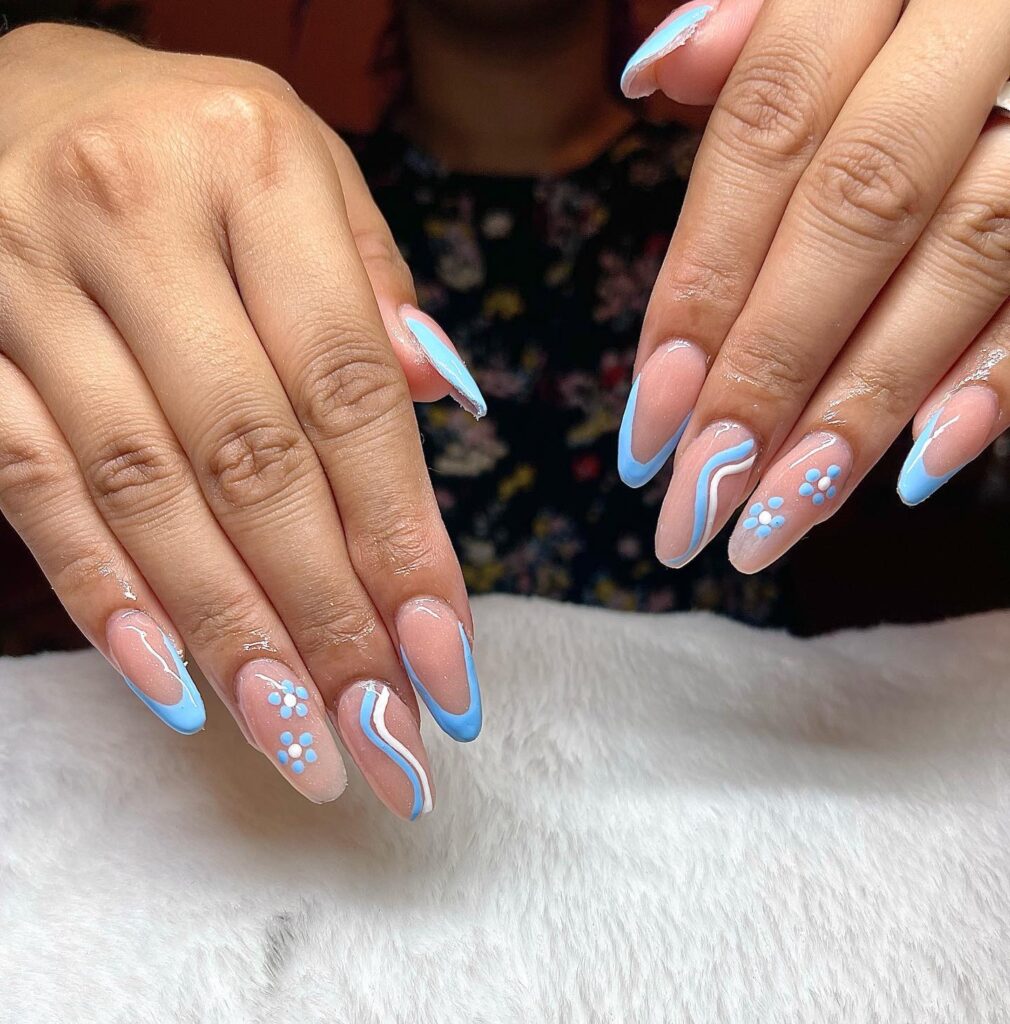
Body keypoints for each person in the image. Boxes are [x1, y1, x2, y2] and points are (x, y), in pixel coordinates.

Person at [0, 0, 1007, 819]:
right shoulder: (213, 206)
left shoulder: (817, 201)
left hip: (735, 827)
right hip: (314, 869)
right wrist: (26, 66)